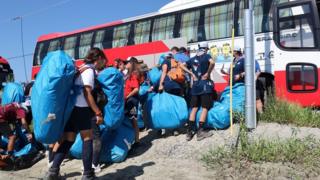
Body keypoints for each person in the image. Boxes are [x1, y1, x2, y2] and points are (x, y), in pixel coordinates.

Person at [45, 48, 106, 180]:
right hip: (81, 108)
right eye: (103, 60)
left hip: (71, 109)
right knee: (87, 138)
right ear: (99, 58)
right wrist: (98, 112)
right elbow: (87, 92)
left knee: (68, 139)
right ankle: (88, 174)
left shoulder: (80, 69)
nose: (103, 64)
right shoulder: (89, 71)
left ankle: (53, 171)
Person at [180, 42, 215, 141]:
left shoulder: (192, 59)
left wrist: (191, 73)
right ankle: (200, 132)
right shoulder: (206, 56)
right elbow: (212, 62)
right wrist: (208, 73)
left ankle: (189, 132)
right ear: (206, 49)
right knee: (205, 108)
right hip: (204, 85)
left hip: (195, 86)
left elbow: (181, 65)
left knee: (194, 108)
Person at [220, 46, 264, 113]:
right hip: (234, 85)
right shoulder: (234, 61)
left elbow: (253, 70)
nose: (231, 53)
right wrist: (224, 72)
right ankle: (242, 115)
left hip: (245, 83)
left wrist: (241, 75)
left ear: (236, 51)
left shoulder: (246, 59)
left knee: (256, 99)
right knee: (238, 100)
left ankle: (261, 115)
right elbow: (231, 73)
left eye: (232, 51)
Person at [124, 57, 140, 144]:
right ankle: (134, 140)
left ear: (131, 63)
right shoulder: (129, 75)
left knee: (134, 120)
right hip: (130, 101)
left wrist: (127, 96)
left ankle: (137, 141)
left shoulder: (133, 75)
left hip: (132, 101)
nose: (126, 64)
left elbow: (136, 89)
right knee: (132, 120)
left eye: (127, 62)